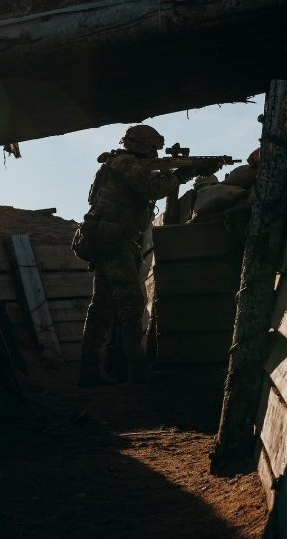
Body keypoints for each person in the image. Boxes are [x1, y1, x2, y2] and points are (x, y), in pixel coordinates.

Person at [76, 124, 193, 386]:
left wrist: (175, 173)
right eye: (152, 149)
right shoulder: (125, 163)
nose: (154, 153)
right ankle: (137, 371)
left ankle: (89, 369)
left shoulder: (114, 162)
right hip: (113, 241)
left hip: (108, 239)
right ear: (143, 146)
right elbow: (151, 189)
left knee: (101, 307)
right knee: (131, 304)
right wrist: (180, 176)